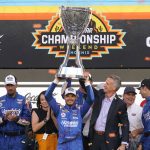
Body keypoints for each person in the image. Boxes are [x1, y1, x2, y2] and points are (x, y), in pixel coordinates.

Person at [45, 72, 94, 150]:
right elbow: (47, 95)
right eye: (67, 96)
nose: (70, 98)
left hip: (76, 145)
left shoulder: (80, 111)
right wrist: (56, 80)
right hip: (62, 144)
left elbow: (91, 99)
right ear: (64, 97)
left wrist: (87, 82)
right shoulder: (58, 110)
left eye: (72, 96)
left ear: (76, 98)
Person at [89, 74, 129, 150]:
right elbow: (88, 88)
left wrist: (123, 144)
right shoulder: (100, 95)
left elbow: (125, 124)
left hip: (110, 141)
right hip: (95, 138)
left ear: (114, 88)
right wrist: (86, 79)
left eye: (107, 83)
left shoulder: (120, 104)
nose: (104, 85)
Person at [0, 74, 31, 150]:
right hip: (3, 139)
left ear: (16, 85)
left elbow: (28, 122)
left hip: (19, 139)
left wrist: (16, 119)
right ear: (5, 86)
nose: (10, 88)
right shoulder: (0, 100)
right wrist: (4, 119)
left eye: (12, 85)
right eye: (8, 85)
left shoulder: (25, 100)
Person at [137, 79, 150, 150]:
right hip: (147, 141)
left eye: (140, 89)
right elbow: (146, 128)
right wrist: (141, 142)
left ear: (144, 88)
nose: (139, 92)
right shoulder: (145, 105)